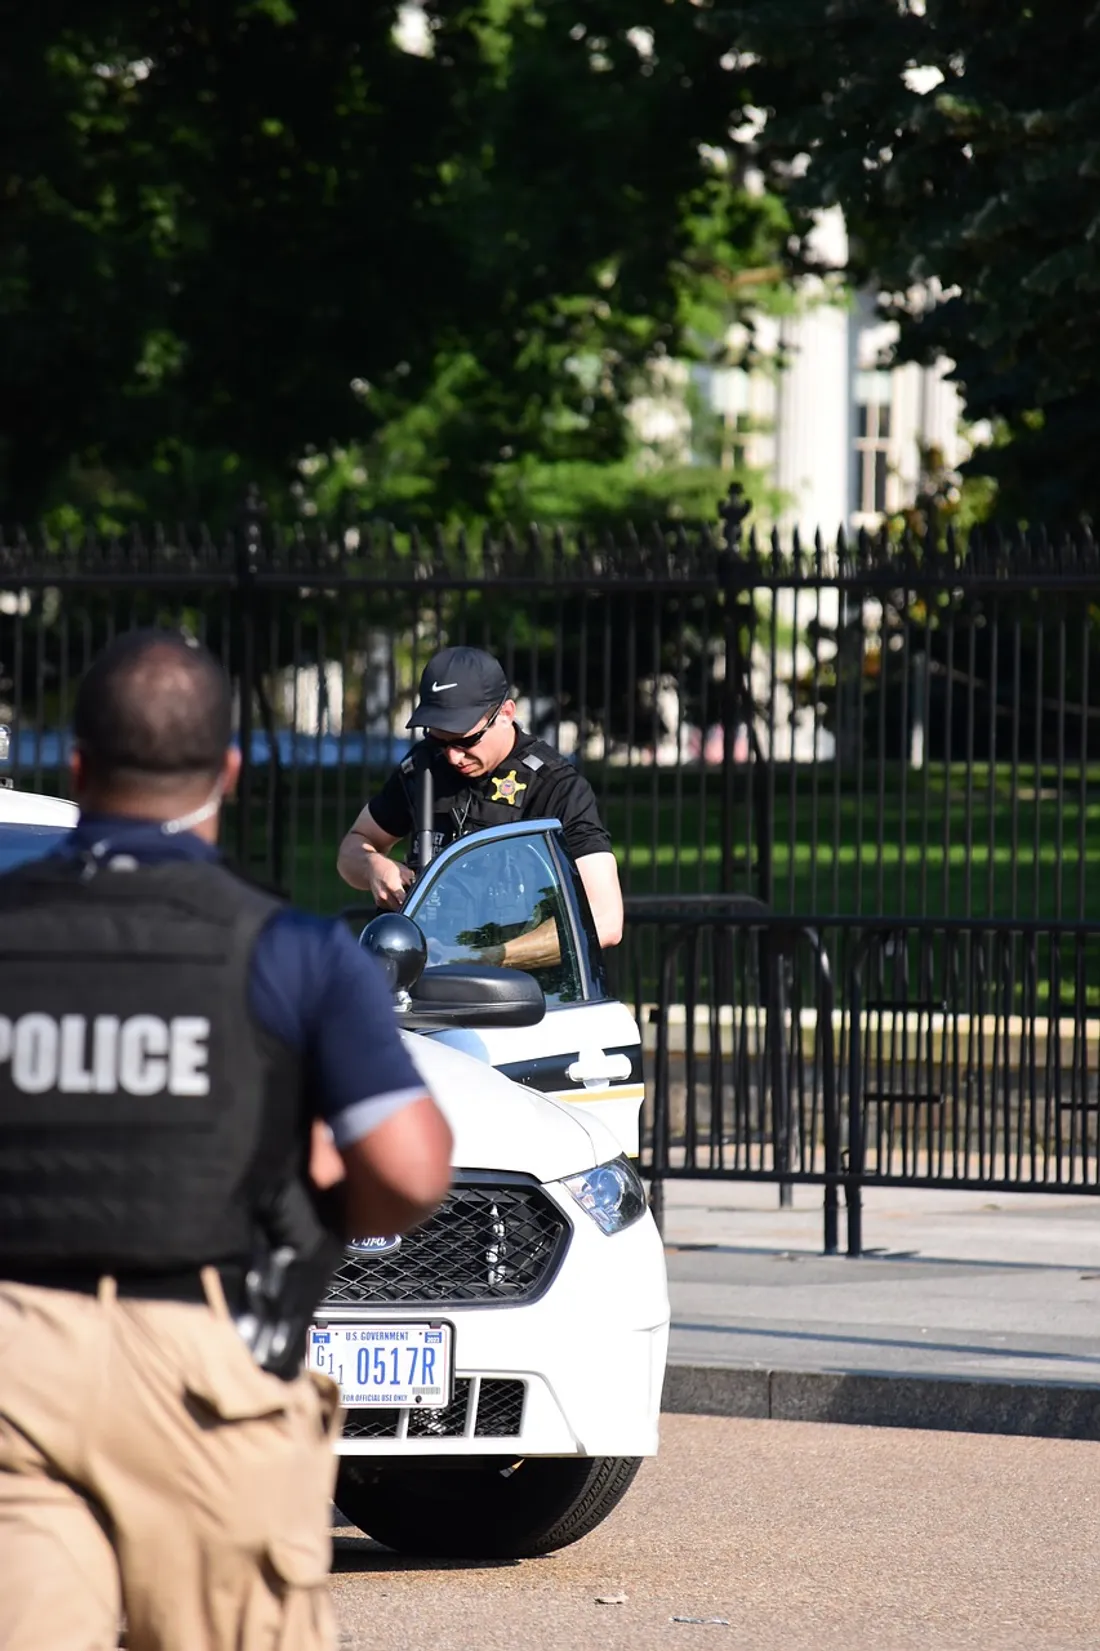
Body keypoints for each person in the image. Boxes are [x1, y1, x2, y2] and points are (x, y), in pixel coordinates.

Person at [0, 630, 453, 1651]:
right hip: (207, 1359)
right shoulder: (288, 948)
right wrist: (328, 1205)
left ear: (76, 769)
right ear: (230, 774)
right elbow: (411, 1169)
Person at [337, 646, 624, 970]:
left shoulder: (557, 788)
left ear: (506, 713)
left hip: (518, 998)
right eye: (439, 741)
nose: (452, 756)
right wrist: (374, 866)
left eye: (466, 740)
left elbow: (604, 920)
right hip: (419, 985)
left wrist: (483, 957)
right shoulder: (423, 766)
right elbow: (353, 847)